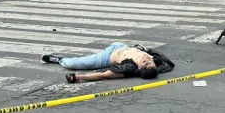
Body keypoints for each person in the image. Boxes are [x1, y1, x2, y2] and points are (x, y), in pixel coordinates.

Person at [41, 43, 175, 83]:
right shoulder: (156, 61)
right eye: (150, 61)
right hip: (122, 45)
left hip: (108, 56)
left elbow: (105, 75)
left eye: (146, 63)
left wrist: (78, 77)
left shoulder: (129, 67)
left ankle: (59, 60)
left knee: (75, 64)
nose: (147, 59)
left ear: (140, 67)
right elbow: (168, 63)